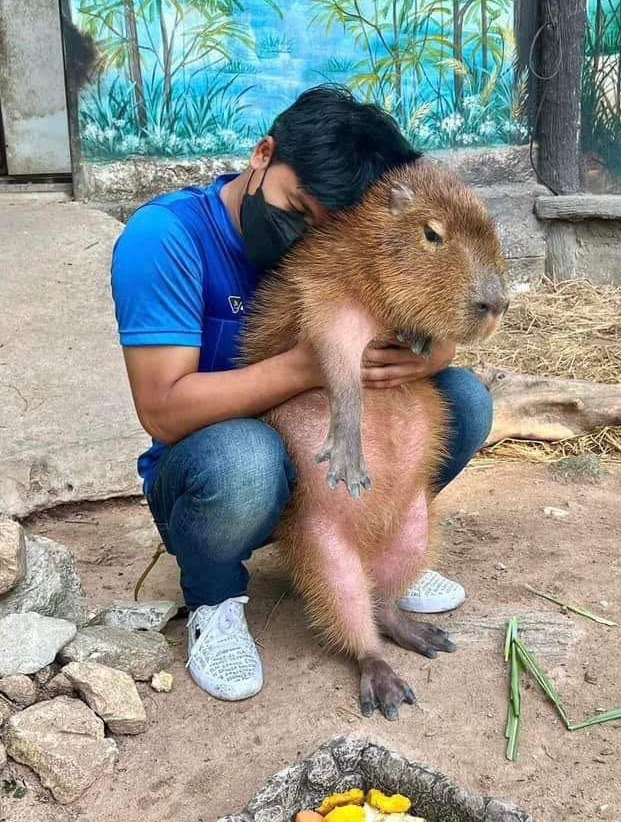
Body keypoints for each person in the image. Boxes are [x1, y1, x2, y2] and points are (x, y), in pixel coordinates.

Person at [111, 85, 492, 702]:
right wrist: (306, 368)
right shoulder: (164, 238)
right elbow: (163, 411)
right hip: (211, 477)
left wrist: (433, 353)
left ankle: (377, 565)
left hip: (319, 469)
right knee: (245, 459)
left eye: (326, 222)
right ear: (262, 155)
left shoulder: (346, 241)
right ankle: (213, 596)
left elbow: (411, 315)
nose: (304, 234)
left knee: (465, 398)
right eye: (296, 208)